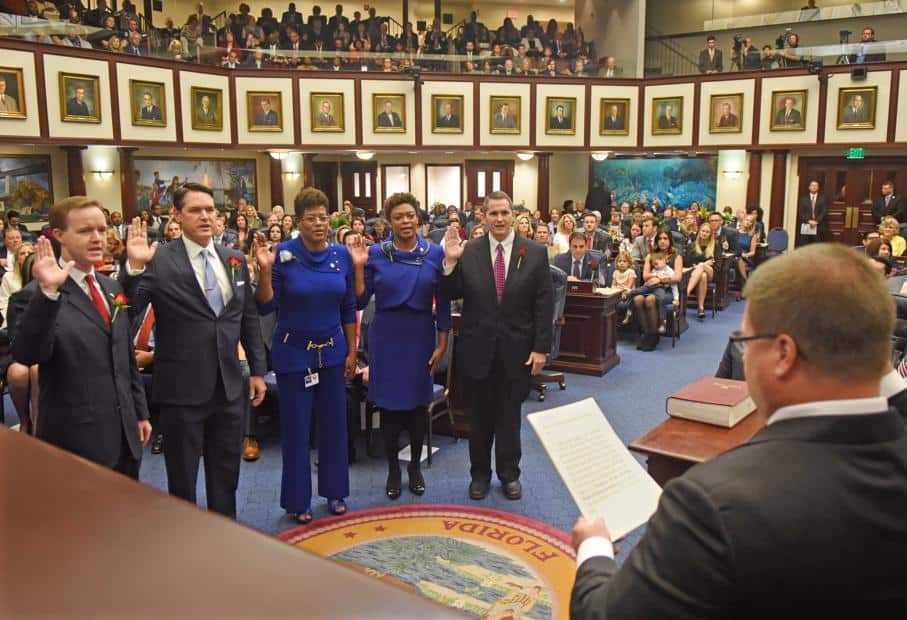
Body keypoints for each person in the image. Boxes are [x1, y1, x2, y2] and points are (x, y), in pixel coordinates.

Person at [571, 243, 907, 619]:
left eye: (746, 343)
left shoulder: (712, 502)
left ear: (783, 355)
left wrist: (593, 549)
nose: (742, 357)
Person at [121, 182, 267, 518]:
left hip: (228, 387)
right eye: (195, 210)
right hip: (181, 390)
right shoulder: (159, 260)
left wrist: (258, 370)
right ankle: (186, 538)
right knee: (183, 476)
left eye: (210, 210)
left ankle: (224, 532)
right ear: (176, 214)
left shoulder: (233, 259)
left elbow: (247, 318)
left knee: (226, 474)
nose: (205, 216)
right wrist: (134, 269)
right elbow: (127, 311)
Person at [11, 197, 151, 476]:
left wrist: (139, 411)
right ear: (59, 235)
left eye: (101, 229)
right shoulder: (35, 296)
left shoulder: (111, 287)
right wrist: (48, 294)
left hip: (125, 435)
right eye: (86, 231)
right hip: (75, 440)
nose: (98, 238)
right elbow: (28, 354)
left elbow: (123, 356)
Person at [440, 191, 553, 501]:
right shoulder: (470, 251)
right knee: (478, 421)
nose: (500, 219)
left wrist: (541, 348)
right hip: (477, 350)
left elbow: (544, 304)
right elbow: (450, 293)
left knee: (509, 419)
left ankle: (509, 474)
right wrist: (450, 262)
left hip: (518, 352)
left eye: (505, 213)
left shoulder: (534, 252)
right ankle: (479, 475)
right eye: (493, 213)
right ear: (484, 216)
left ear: (513, 215)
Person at [253, 187, 356, 524]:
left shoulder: (341, 254)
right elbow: (265, 305)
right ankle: (299, 500)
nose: (319, 224)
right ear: (298, 222)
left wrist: (353, 350)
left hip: (332, 354)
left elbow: (349, 306)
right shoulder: (282, 254)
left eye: (323, 218)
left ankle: (336, 491)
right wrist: (264, 271)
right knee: (297, 430)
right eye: (311, 218)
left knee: (334, 426)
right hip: (294, 354)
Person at [348, 192, 450, 499]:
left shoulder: (435, 253)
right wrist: (358, 266)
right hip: (386, 338)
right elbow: (360, 300)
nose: (405, 221)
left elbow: (444, 302)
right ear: (388, 222)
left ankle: (414, 467)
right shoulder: (376, 253)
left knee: (418, 407)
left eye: (410, 215)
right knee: (390, 408)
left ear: (418, 217)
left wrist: (442, 343)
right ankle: (393, 469)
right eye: (398, 217)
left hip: (420, 337)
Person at [633, 230, 682, 350]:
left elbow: (677, 278)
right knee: (638, 299)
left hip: (668, 291)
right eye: (660, 239)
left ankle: (654, 336)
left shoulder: (677, 256)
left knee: (650, 299)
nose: (662, 241)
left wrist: (660, 280)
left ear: (670, 241)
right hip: (650, 288)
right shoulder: (650, 255)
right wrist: (656, 276)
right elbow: (645, 276)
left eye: (665, 238)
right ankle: (647, 333)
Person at [685, 222, 716, 320]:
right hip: (695, 272)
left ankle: (686, 293)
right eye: (703, 231)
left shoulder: (715, 246)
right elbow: (686, 262)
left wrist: (702, 265)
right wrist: (701, 265)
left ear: (710, 234)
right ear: (699, 232)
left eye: (707, 232)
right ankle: (701, 307)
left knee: (702, 266)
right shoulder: (692, 245)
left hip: (711, 272)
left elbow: (718, 264)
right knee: (703, 276)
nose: (704, 233)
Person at [0, 242, 34, 327]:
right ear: (17, 259)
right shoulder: (8, 277)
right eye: (22, 253)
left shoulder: (40, 276)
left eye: (29, 253)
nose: (26, 255)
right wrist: (11, 320)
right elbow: (3, 302)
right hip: (13, 320)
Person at [798, 179, 826, 244]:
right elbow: (801, 212)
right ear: (809, 187)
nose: (814, 187)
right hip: (806, 224)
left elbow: (823, 211)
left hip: (818, 225)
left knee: (817, 245)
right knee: (805, 245)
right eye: (812, 185)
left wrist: (816, 221)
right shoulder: (803, 199)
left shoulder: (823, 199)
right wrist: (809, 221)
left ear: (818, 188)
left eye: (816, 185)